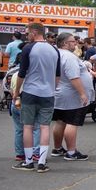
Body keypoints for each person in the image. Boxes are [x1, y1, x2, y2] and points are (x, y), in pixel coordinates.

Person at [12, 22, 61, 173]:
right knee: (44, 126)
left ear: (34, 33)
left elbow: (22, 73)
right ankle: (41, 161)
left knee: (28, 126)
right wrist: (52, 88)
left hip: (30, 92)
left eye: (28, 33)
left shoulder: (28, 48)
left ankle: (28, 161)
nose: (27, 36)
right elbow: (57, 76)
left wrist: (16, 91)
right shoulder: (54, 50)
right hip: (48, 93)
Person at [49, 33, 91, 161]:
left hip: (60, 93)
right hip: (71, 95)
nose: (75, 43)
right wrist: (83, 93)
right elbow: (74, 77)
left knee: (60, 121)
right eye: (73, 41)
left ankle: (57, 148)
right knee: (72, 122)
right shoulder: (69, 56)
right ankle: (71, 152)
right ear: (65, 43)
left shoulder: (56, 54)